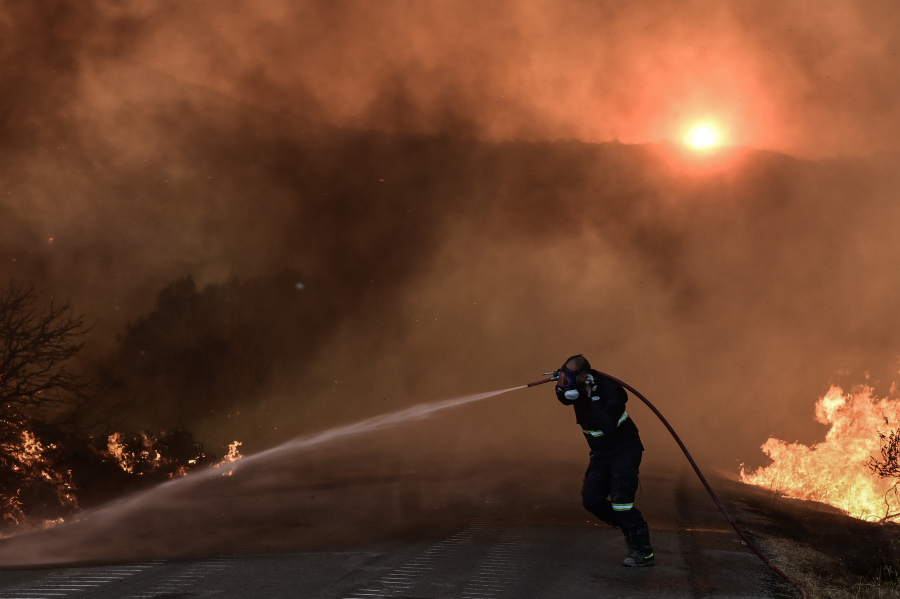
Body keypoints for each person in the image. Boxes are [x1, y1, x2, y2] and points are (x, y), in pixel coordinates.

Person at [554, 354, 654, 567]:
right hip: (601, 454)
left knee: (622, 504)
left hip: (624, 451)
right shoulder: (578, 386)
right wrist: (562, 387)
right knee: (592, 500)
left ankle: (642, 551)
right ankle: (631, 528)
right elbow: (564, 398)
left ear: (583, 376)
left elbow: (607, 425)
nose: (565, 383)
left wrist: (593, 397)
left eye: (569, 378)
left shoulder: (610, 391)